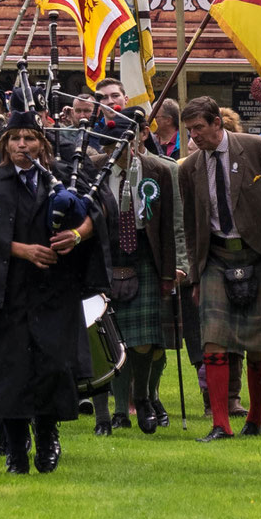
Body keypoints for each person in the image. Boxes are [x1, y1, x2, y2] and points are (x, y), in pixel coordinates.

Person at [0, 111, 101, 473]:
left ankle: (47, 437)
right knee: (8, 370)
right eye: (15, 138)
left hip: (53, 293)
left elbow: (97, 212)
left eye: (29, 138)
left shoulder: (61, 179)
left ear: (42, 143)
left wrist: (76, 235)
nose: (22, 145)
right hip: (5, 292)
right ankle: (14, 449)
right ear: (5, 144)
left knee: (51, 367)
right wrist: (20, 250)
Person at [177, 95, 261, 440]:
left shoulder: (256, 147)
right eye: (189, 130)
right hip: (216, 257)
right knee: (213, 341)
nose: (194, 136)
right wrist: (196, 274)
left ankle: (255, 422)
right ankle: (220, 424)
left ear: (217, 123)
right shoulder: (189, 167)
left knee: (259, 344)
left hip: (258, 254)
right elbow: (190, 223)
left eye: (199, 128)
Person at [93, 115, 178, 434]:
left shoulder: (158, 170)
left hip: (143, 256)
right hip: (103, 257)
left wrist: (168, 272)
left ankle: (142, 399)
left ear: (142, 137)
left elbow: (167, 224)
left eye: (127, 143)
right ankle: (110, 414)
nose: (121, 150)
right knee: (105, 341)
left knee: (143, 342)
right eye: (114, 144)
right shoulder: (94, 168)